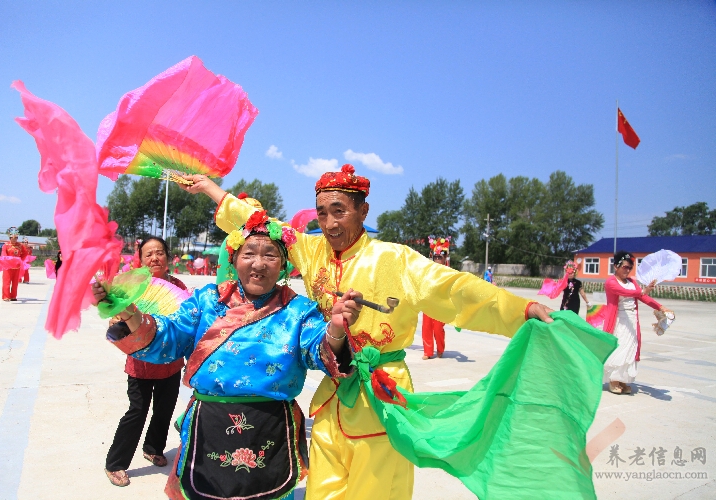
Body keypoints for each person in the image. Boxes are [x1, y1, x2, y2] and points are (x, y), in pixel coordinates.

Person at [180, 164, 552, 500]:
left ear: (363, 211)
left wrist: (521, 309)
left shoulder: (396, 259)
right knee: (324, 487)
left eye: (339, 211)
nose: (329, 223)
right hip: (333, 390)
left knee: (375, 488)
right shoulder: (311, 251)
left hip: (381, 394)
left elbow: (455, 289)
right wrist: (213, 190)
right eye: (323, 213)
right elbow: (260, 221)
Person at [93, 215, 362, 499]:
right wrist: (130, 313)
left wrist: (335, 327)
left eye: (270, 255)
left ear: (284, 265)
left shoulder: (299, 310)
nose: (259, 264)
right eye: (249, 254)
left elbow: (320, 352)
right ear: (234, 261)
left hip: (270, 429)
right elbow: (168, 338)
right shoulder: (206, 301)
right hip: (209, 427)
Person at [103, 237, 189, 487]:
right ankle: (115, 463)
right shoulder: (131, 286)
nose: (155, 259)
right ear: (140, 259)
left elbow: (186, 320)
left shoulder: (178, 286)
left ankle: (154, 448)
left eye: (160, 253)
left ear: (168, 257)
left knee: (164, 409)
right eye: (149, 254)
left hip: (171, 362)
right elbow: (116, 317)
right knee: (136, 412)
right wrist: (116, 323)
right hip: (140, 364)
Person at [603, 250, 673, 395]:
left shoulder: (632, 282)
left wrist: (660, 307)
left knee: (631, 350)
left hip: (632, 321)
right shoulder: (610, 282)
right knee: (619, 349)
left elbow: (643, 298)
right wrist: (642, 291)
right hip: (618, 321)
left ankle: (623, 380)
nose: (627, 270)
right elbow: (626, 292)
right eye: (625, 267)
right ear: (616, 266)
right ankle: (614, 380)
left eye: (630, 268)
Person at [421, 236, 450, 360]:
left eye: (440, 257)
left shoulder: (449, 271)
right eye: (436, 257)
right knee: (426, 328)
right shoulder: (428, 270)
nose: (437, 259)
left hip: (441, 304)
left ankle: (440, 349)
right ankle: (428, 352)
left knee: (438, 328)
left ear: (444, 258)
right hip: (428, 302)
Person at [0, 227, 28, 301]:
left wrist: (20, 259)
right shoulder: (6, 245)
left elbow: (25, 253)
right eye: (13, 238)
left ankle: (13, 296)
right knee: (7, 281)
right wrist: (8, 259)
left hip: (16, 266)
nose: (15, 239)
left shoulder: (20, 245)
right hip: (8, 267)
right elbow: (3, 254)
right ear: (10, 237)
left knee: (15, 282)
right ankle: (6, 296)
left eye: (16, 238)